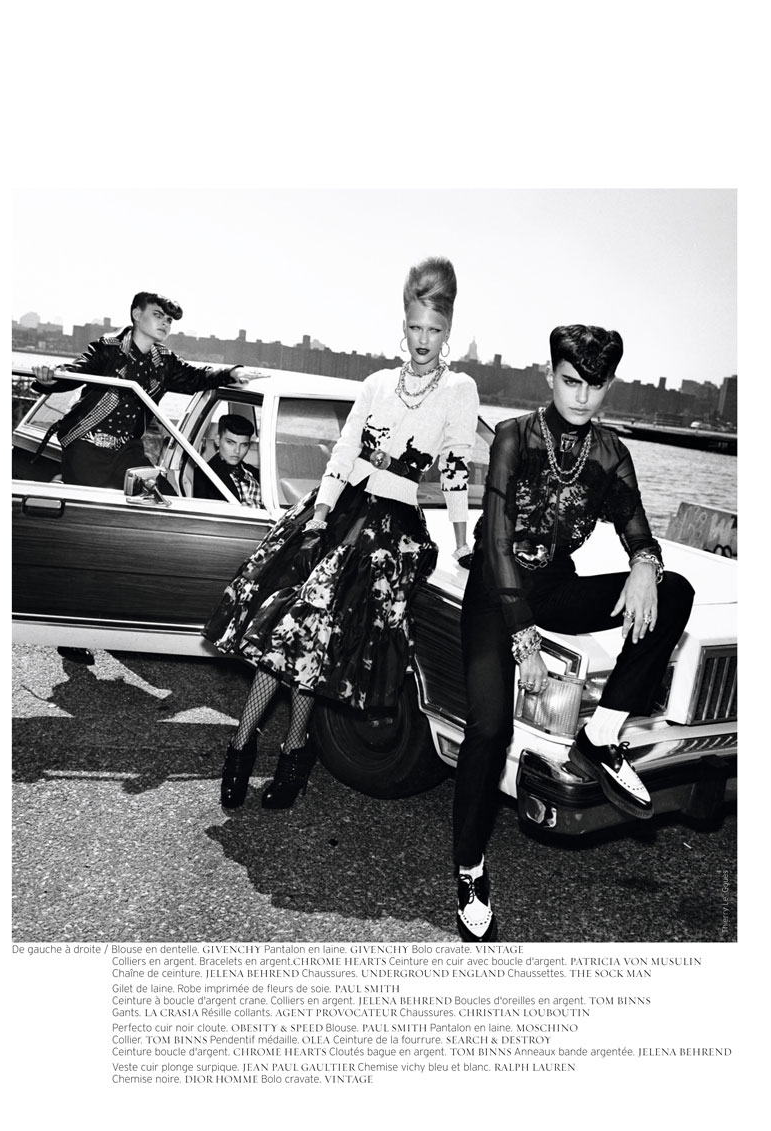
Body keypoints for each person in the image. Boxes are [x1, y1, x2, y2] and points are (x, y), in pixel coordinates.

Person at [203, 257, 480, 810]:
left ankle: (293, 751)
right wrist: (319, 516)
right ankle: (241, 746)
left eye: (434, 330)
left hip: (389, 532)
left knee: (318, 646)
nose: (423, 340)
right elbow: (345, 451)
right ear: (402, 325)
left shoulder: (459, 389)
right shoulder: (377, 383)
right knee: (285, 634)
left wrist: (462, 539)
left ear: (448, 330)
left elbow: (455, 467)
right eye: (415, 327)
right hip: (337, 515)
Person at [452, 325, 694, 943]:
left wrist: (645, 564)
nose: (582, 397)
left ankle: (601, 736)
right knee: (490, 729)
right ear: (551, 375)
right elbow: (497, 542)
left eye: (596, 385)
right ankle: (471, 869)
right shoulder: (514, 437)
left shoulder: (611, 453)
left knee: (674, 591)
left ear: (609, 384)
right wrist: (525, 641)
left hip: (556, 587)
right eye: (571, 382)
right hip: (495, 591)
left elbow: (638, 529)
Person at [31, 291, 247, 664]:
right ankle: (71, 632)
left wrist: (232, 373)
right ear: (136, 314)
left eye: (169, 320)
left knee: (156, 512)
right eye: (158, 315)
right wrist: (48, 379)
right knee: (91, 536)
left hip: (126, 452)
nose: (165, 323)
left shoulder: (165, 361)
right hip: (86, 446)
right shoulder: (107, 349)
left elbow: (197, 377)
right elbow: (73, 372)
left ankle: (126, 618)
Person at [192, 414, 262, 506]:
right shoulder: (201, 476)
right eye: (230, 442)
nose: (237, 451)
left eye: (244, 444)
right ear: (218, 440)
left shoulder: (256, 473)